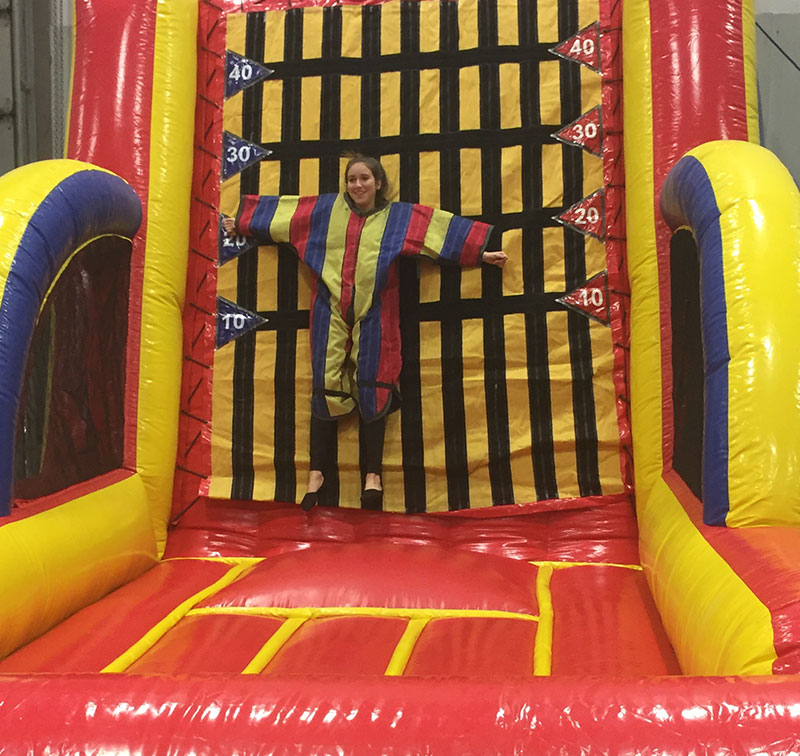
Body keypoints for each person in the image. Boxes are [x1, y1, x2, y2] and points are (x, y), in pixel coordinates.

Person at [224, 155, 507, 511]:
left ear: (378, 182)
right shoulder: (325, 211)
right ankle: (316, 473)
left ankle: (372, 475)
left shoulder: (398, 217)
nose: (357, 185)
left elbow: (436, 232)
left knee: (375, 379)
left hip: (376, 307)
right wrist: (243, 223)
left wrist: (481, 253)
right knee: (325, 379)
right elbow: (286, 215)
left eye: (364, 178)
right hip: (330, 304)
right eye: (352, 179)